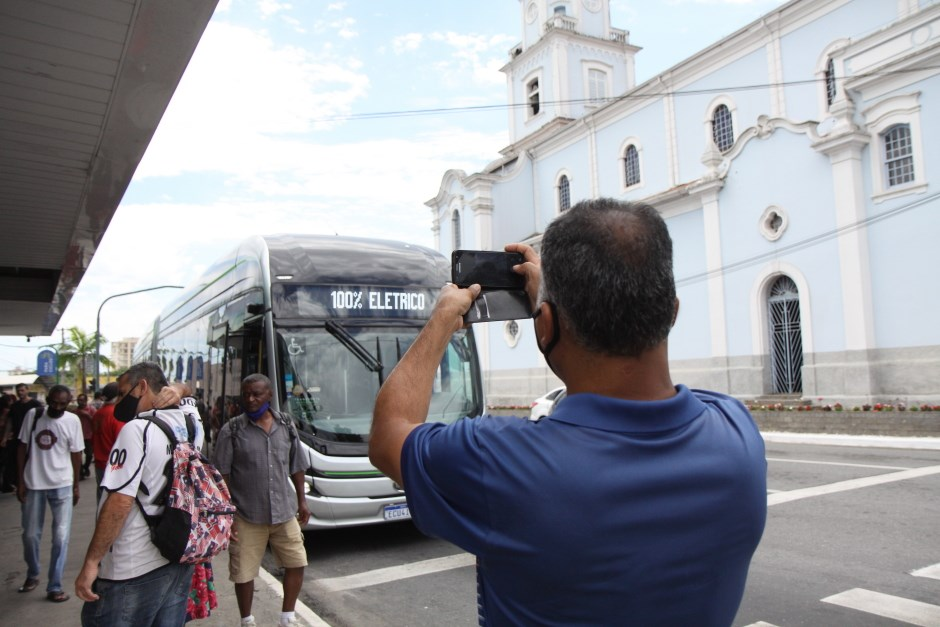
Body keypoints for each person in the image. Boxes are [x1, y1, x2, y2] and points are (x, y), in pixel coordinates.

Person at [370, 198, 768, 626]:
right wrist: (554, 307)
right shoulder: (737, 433)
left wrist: (443, 321)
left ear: (544, 327)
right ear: (671, 312)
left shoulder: (500, 462)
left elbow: (390, 432)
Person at [75, 361, 204, 626]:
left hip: (131, 566)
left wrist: (91, 562)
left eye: (123, 393)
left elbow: (120, 502)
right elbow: (189, 393)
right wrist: (180, 388)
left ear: (142, 387)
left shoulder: (137, 429)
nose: (119, 402)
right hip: (178, 553)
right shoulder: (192, 423)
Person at [213, 374, 310, 627]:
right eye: (246, 394)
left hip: (284, 512)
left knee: (297, 562)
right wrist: (227, 512)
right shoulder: (232, 430)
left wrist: (302, 500)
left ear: (269, 395)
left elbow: (297, 466)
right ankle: (247, 620)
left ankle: (287, 617)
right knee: (243, 573)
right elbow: (221, 473)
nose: (251, 399)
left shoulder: (286, 425)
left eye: (256, 394)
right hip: (246, 514)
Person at [16, 384, 83, 602]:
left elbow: (76, 453)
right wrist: (20, 481)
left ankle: (54, 585)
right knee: (30, 534)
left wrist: (75, 484)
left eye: (62, 404)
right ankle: (33, 573)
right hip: (34, 482)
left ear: (68, 402)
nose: (57, 407)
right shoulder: (33, 415)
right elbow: (22, 447)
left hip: (62, 483)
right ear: (47, 399)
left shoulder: (72, 421)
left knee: (61, 537)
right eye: (53, 402)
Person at [3, 383, 42, 492]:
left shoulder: (35, 404)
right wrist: (5, 438)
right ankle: (20, 482)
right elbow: (10, 422)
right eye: (18, 391)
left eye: (22, 390)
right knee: (18, 461)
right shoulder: (15, 406)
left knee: (32, 459)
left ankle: (33, 481)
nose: (20, 393)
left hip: (33, 437)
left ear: (27, 390)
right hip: (18, 438)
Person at [90, 382, 122, 486]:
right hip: (114, 465)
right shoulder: (117, 414)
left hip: (100, 462)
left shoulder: (98, 413)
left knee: (101, 496)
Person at [75, 393, 95, 480]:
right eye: (79, 400)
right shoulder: (75, 411)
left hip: (88, 436)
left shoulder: (91, 410)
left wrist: (87, 415)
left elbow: (95, 422)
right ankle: (81, 472)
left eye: (83, 400)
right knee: (78, 456)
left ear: (86, 401)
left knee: (89, 455)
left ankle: (86, 467)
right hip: (78, 436)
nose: (81, 402)